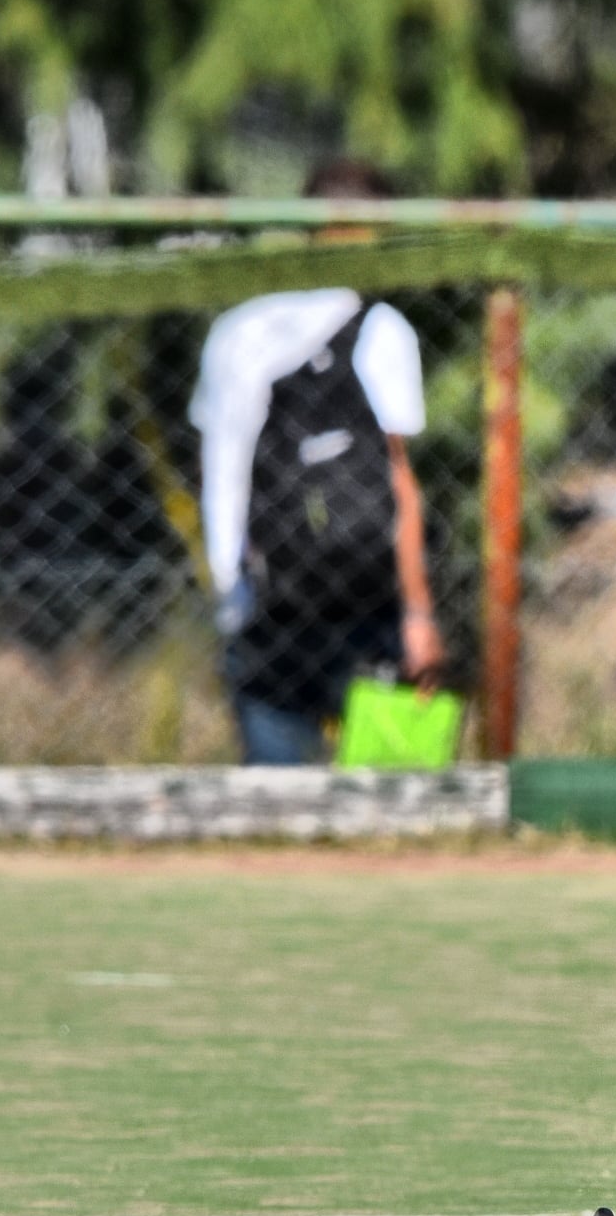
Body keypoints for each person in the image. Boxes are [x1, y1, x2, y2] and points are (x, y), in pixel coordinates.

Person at [189, 161, 444, 764]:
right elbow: (398, 483)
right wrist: (418, 615)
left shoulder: (237, 329)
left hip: (262, 604)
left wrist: (227, 591)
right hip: (367, 600)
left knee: (275, 814)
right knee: (391, 808)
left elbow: (216, 471)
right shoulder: (382, 331)